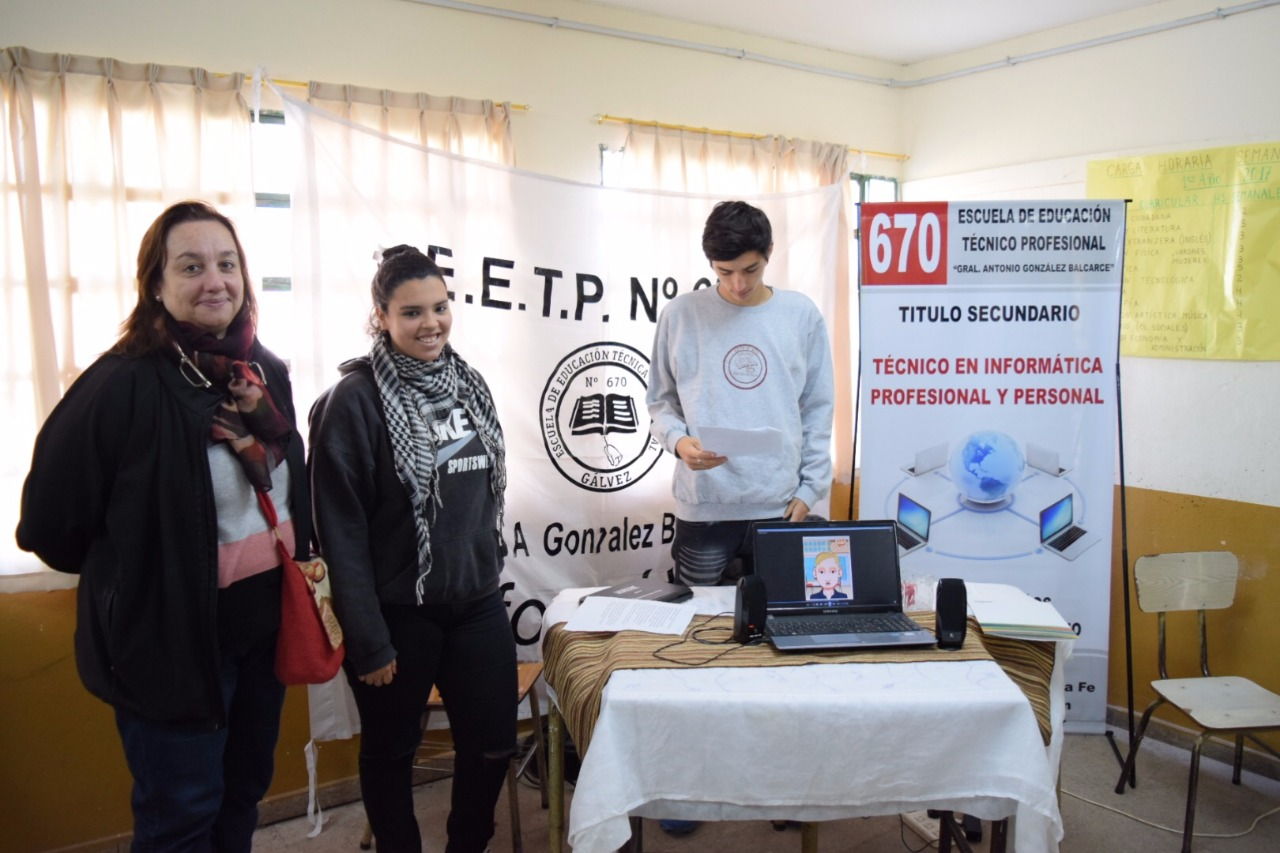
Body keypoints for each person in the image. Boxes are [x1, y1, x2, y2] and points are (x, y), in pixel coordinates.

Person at [16, 200, 310, 851]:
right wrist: (139, 577)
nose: (216, 280)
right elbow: (49, 524)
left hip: (263, 635)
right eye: (192, 266)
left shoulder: (263, 374)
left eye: (228, 264)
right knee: (181, 816)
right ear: (156, 282)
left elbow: (293, 489)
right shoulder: (121, 385)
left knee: (241, 794)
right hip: (169, 645)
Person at [308, 244, 516, 853]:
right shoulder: (352, 402)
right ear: (381, 316)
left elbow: (483, 494)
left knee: (492, 744)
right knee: (392, 751)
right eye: (412, 312)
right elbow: (338, 532)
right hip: (398, 615)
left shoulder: (468, 383)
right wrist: (368, 639)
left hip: (475, 602)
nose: (432, 324)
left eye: (441, 308)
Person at [647, 200, 835, 587]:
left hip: (782, 504)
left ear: (768, 255)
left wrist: (811, 487)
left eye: (751, 270)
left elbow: (817, 407)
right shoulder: (680, 315)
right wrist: (679, 442)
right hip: (704, 506)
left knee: (781, 621)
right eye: (725, 271)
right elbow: (660, 401)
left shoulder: (801, 315)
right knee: (699, 627)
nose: (738, 284)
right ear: (711, 264)